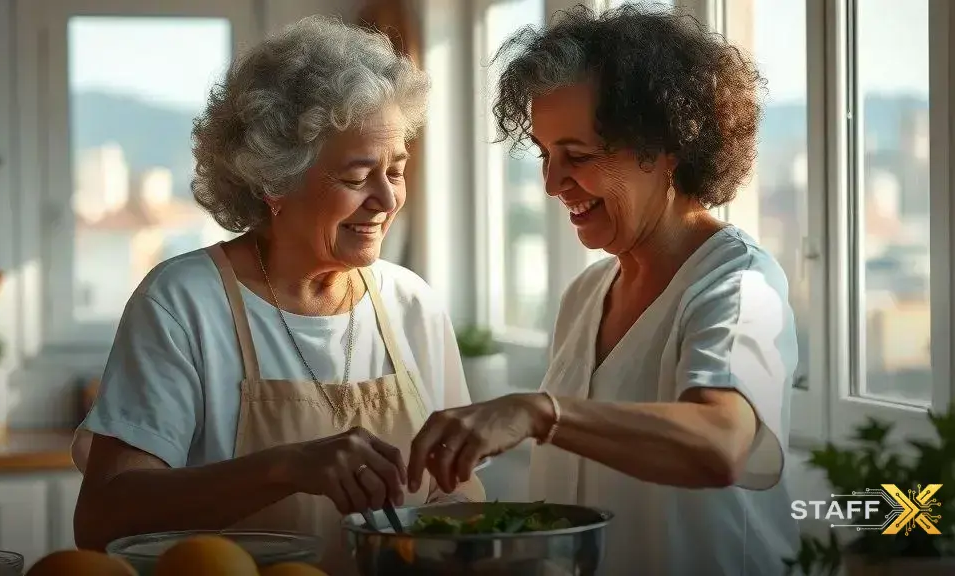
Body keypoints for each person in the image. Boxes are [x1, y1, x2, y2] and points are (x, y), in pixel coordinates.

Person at [71, 15, 484, 575]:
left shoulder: (412, 305)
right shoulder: (183, 302)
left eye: (397, 169)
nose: (386, 199)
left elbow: (455, 493)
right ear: (274, 183)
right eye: (357, 176)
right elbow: (103, 519)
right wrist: (284, 468)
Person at [408, 5, 800, 575]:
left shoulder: (738, 286)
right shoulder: (586, 295)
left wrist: (538, 412)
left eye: (579, 156)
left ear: (666, 147)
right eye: (545, 155)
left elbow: (720, 444)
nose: (550, 183)